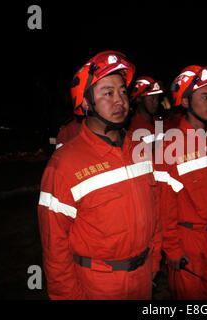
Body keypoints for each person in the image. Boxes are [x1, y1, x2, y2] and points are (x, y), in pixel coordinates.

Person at [38, 51, 162, 299]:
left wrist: (154, 262)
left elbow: (155, 212)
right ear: (85, 103)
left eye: (123, 92)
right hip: (98, 285)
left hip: (143, 277)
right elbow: (55, 248)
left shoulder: (140, 151)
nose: (120, 101)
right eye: (108, 93)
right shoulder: (63, 165)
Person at [155, 65, 207, 299]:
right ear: (187, 102)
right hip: (188, 241)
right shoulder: (169, 147)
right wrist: (173, 248)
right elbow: (165, 204)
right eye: (205, 96)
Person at [129, 76, 165, 144]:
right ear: (139, 99)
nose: (156, 102)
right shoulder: (133, 127)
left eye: (157, 98)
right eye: (152, 98)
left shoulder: (158, 121)